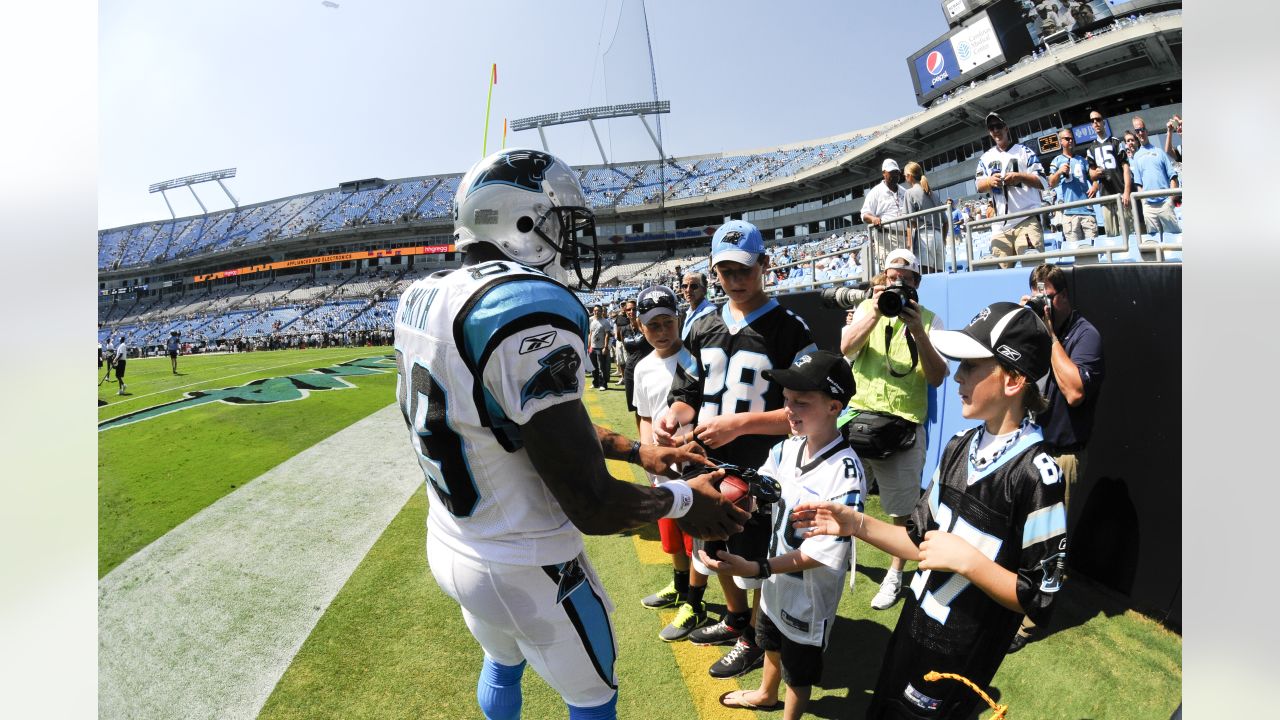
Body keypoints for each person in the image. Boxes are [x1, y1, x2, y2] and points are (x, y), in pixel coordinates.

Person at [394, 148, 749, 720]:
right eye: (559, 222)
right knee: (592, 698)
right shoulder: (524, 306)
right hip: (527, 560)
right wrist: (686, 502)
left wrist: (639, 451)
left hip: (455, 538)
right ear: (523, 220)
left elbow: (521, 420)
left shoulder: (426, 293)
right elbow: (593, 503)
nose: (570, 239)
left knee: (502, 663)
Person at [793, 301, 1067, 720]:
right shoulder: (959, 446)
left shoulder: (1038, 475)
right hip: (915, 627)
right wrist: (855, 523)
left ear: (1013, 379)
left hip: (963, 653)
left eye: (973, 367)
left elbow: (1040, 596)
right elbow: (918, 542)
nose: (958, 376)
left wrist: (969, 562)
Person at [656, 219, 818, 680]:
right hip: (709, 463)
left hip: (764, 468)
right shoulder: (703, 324)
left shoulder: (788, 329)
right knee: (712, 546)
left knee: (755, 558)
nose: (735, 280)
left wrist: (741, 423)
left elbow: (811, 411)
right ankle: (736, 618)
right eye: (725, 271)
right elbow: (688, 393)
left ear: (764, 265)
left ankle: (757, 637)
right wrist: (675, 417)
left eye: (743, 269)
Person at [700, 349, 864, 718]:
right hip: (777, 580)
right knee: (769, 639)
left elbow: (823, 553)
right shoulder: (789, 447)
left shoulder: (844, 472)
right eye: (787, 400)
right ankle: (765, 694)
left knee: (798, 668)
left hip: (807, 591)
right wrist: (725, 507)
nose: (789, 410)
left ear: (834, 407)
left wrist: (758, 568)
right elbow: (762, 489)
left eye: (801, 403)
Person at [839, 248, 948, 611]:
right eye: (890, 276)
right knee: (840, 491)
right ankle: (833, 555)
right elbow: (845, 349)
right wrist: (871, 314)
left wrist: (917, 330)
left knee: (899, 509)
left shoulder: (931, 321)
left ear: (916, 283)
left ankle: (895, 571)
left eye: (904, 277)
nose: (896, 283)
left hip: (900, 427)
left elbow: (936, 376)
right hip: (857, 418)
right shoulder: (868, 310)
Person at [1009, 264, 1104, 652]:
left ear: (1062, 296)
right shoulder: (1035, 326)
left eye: (1046, 296)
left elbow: (1074, 391)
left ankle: (1032, 623)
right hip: (1028, 448)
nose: (1042, 303)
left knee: (1049, 549)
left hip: (1062, 455)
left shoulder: (1087, 335)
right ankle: (1010, 603)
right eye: (1037, 295)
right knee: (1015, 536)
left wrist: (1047, 334)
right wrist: (1023, 325)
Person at [632, 285, 711, 641]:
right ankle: (680, 586)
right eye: (653, 326)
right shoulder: (642, 367)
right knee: (671, 534)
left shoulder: (697, 359)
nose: (662, 332)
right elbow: (645, 415)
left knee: (699, 537)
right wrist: (647, 454)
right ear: (640, 325)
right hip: (661, 467)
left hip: (695, 463)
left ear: (679, 320)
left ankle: (696, 602)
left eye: (668, 323)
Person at [975, 111, 1046, 268]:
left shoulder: (1024, 151)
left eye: (998, 126)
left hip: (1025, 219)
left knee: (1034, 271)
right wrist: (989, 181)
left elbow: (1043, 181)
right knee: (1001, 278)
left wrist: (1020, 177)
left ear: (1006, 128)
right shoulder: (985, 157)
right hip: (1000, 226)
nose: (995, 130)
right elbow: (979, 185)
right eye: (991, 128)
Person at [1129, 116, 1181, 239]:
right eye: (1137, 131)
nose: (1140, 133)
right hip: (1149, 208)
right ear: (1136, 134)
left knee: (1176, 241)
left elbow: (1173, 177)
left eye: (1142, 129)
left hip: (1165, 204)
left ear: (1146, 131)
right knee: (1155, 244)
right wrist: (1144, 204)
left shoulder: (1160, 152)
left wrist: (1171, 200)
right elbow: (1138, 184)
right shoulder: (1136, 157)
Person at [1084, 111, 1133, 237]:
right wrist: (1094, 174)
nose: (1095, 122)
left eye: (1098, 119)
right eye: (1092, 121)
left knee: (1128, 234)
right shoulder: (1091, 148)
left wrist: (1127, 191)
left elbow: (1126, 168)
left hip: (1121, 194)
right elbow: (1091, 173)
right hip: (1106, 197)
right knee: (1112, 236)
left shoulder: (1116, 142)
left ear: (1103, 122)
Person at [1048, 127, 1098, 245]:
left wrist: (1095, 186)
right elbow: (1050, 182)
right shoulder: (1057, 161)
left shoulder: (1082, 160)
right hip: (1070, 214)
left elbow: (1093, 178)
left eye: (1072, 139)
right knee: (1076, 252)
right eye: (1067, 138)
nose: (1070, 141)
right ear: (1061, 141)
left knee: (1094, 250)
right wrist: (1059, 172)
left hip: (1087, 212)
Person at [902, 161, 945, 273]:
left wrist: (909, 246)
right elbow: (945, 221)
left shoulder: (909, 193)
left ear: (910, 176)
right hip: (939, 236)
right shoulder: (933, 193)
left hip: (924, 236)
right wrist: (943, 239)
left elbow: (911, 223)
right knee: (939, 274)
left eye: (905, 176)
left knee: (924, 275)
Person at [862, 159, 908, 261]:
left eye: (896, 172)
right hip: (887, 238)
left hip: (905, 237)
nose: (895, 175)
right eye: (891, 172)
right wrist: (873, 219)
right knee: (889, 271)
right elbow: (865, 214)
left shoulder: (904, 192)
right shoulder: (875, 192)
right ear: (884, 173)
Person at [616, 297, 654, 412]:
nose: (631, 312)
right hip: (631, 369)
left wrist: (639, 326)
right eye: (628, 310)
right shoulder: (622, 330)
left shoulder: (646, 326)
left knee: (649, 406)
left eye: (634, 309)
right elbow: (627, 348)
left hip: (647, 369)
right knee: (636, 408)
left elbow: (652, 343)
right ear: (625, 311)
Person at [679, 271, 715, 342]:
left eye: (693, 286)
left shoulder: (711, 313)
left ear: (704, 290)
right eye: (684, 286)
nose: (688, 290)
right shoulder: (689, 312)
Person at [588, 305, 614, 391]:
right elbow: (590, 334)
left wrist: (605, 347)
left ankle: (603, 384)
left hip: (600, 347)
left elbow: (607, 335)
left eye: (598, 310)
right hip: (593, 347)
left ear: (601, 311)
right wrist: (589, 346)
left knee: (602, 368)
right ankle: (595, 383)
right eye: (595, 310)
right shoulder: (592, 321)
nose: (596, 312)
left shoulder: (605, 322)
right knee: (593, 367)